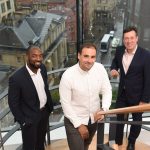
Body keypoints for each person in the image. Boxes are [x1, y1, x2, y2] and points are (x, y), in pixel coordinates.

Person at [59, 43, 112, 150]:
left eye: (92, 57)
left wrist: (104, 109)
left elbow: (107, 90)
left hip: (93, 119)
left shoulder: (100, 69)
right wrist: (79, 125)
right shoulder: (68, 75)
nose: (89, 60)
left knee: (86, 146)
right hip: (74, 121)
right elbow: (65, 104)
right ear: (79, 55)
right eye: (86, 56)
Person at [110, 26, 150, 150]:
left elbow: (149, 79)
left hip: (138, 96)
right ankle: (118, 141)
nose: (129, 41)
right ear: (123, 40)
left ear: (137, 39)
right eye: (126, 38)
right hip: (122, 93)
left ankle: (131, 142)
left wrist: (144, 99)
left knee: (136, 121)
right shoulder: (119, 50)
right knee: (118, 118)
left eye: (132, 38)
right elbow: (115, 62)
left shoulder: (146, 55)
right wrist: (113, 68)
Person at [8, 45, 53, 150]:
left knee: (40, 143)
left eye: (40, 56)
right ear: (27, 57)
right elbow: (13, 103)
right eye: (34, 56)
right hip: (29, 119)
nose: (38, 59)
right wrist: (23, 121)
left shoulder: (42, 68)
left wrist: (48, 108)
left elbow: (44, 88)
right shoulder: (16, 78)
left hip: (44, 113)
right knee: (29, 146)